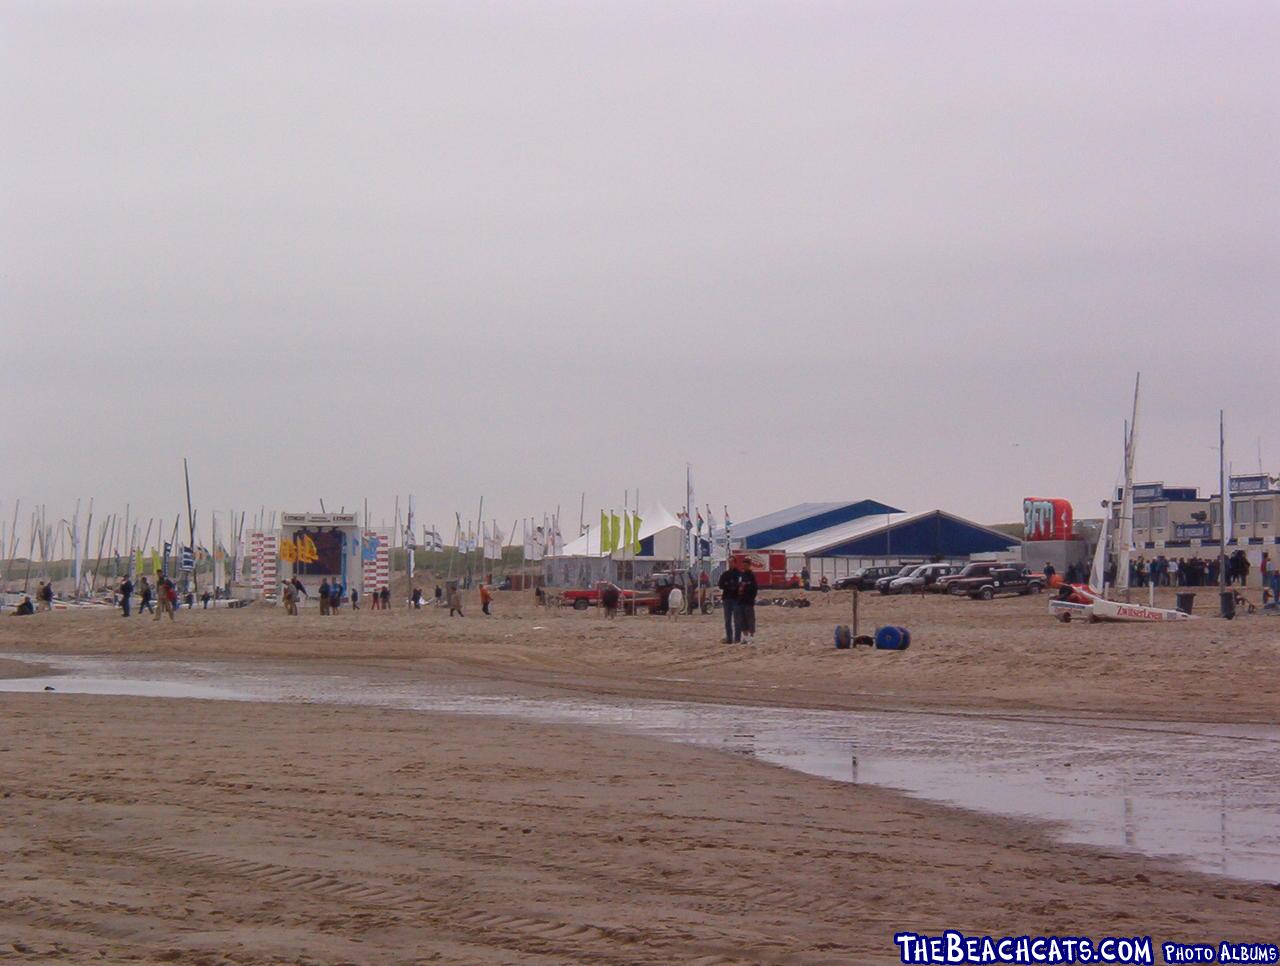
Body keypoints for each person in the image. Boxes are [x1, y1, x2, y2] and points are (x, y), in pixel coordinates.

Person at [718, 560, 743, 643]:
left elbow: (740, 585)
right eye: (729, 562)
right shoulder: (725, 574)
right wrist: (729, 585)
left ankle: (737, 639)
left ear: (735, 563)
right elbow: (720, 584)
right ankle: (729, 638)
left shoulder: (739, 574)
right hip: (727, 599)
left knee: (737, 620)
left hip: (736, 599)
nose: (730, 564)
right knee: (727, 620)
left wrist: (729, 585)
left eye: (732, 562)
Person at [738, 559, 759, 644]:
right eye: (743, 565)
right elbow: (738, 586)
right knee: (742, 620)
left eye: (745, 565)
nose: (744, 566)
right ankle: (745, 637)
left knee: (750, 619)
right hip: (741, 601)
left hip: (749, 602)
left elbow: (754, 589)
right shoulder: (741, 575)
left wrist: (751, 598)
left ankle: (751, 637)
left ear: (749, 565)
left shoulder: (752, 575)